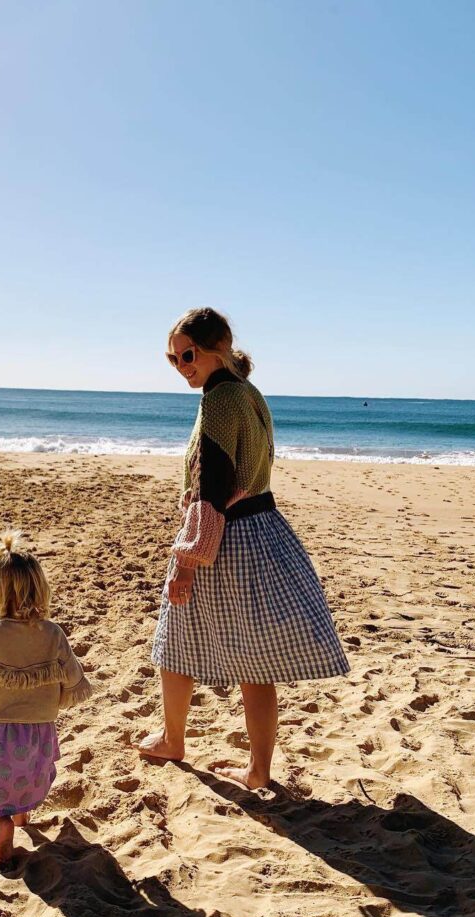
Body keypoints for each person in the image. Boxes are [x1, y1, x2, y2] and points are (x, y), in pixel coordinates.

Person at [139, 307, 349, 789]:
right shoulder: (249, 393)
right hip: (263, 529)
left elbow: (212, 488)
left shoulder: (219, 401)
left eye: (187, 355)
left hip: (223, 537)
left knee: (177, 640)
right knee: (246, 659)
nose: (180, 366)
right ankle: (255, 769)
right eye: (171, 359)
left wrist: (189, 561)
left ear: (217, 350)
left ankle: (180, 742)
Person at [0, 531, 92, 863]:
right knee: (28, 778)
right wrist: (58, 695)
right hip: (37, 730)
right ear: (39, 587)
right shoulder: (52, 634)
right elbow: (75, 680)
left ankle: (3, 822)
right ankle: (21, 816)